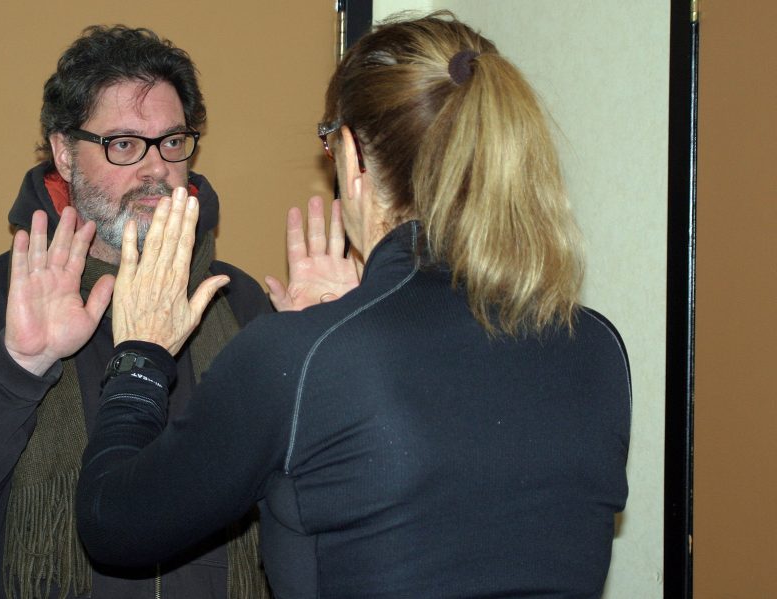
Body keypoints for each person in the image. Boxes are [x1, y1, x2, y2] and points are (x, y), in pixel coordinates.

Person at [71, 11, 631, 599]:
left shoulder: (297, 358)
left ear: (352, 152)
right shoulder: (596, 348)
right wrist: (347, 329)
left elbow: (113, 526)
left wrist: (140, 357)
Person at [0, 26, 275, 599]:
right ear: (64, 152)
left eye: (173, 141)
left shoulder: (241, 304)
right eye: (124, 144)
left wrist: (332, 354)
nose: (156, 168)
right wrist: (14, 365)